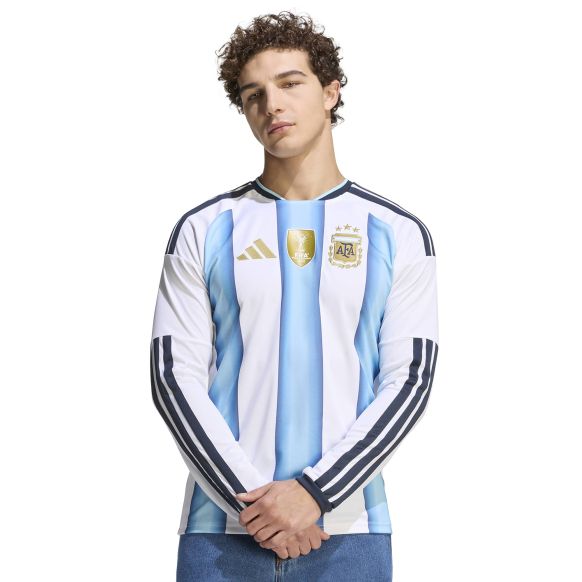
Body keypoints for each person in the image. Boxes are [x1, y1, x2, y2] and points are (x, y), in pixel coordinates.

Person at [149, 10, 439, 582]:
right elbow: (172, 377)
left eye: (290, 83)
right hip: (221, 531)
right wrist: (259, 509)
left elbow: (409, 380)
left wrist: (314, 494)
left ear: (331, 91)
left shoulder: (397, 232)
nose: (272, 106)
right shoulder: (204, 228)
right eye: (253, 95)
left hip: (350, 530)